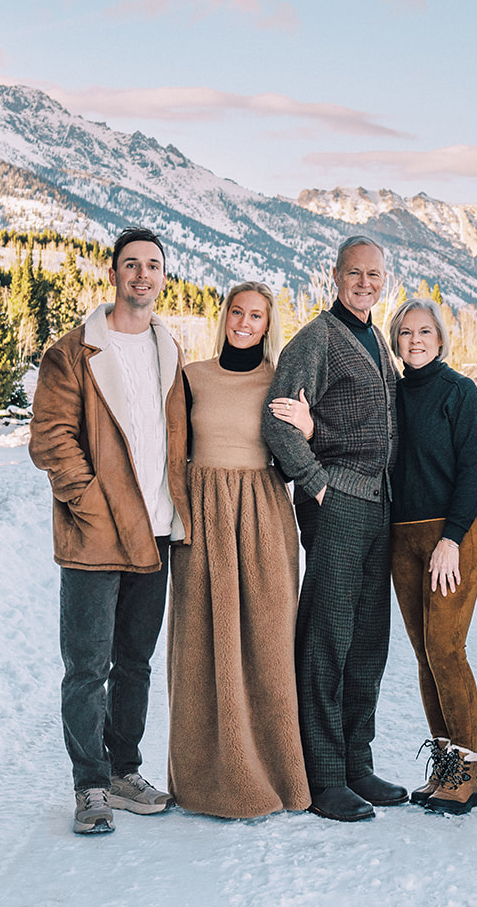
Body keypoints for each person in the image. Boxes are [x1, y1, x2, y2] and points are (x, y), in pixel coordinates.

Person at [29, 226, 185, 835]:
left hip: (157, 532)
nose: (142, 275)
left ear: (163, 278)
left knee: (136, 663)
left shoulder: (169, 351)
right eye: (131, 265)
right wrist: (91, 504)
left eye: (153, 265)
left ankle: (124, 771)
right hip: (94, 537)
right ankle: (89, 785)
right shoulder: (73, 352)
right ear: (113, 273)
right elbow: (50, 439)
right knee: (87, 667)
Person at [262, 236, 401, 823]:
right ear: (335, 275)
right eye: (355, 273)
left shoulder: (377, 337)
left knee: (369, 638)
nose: (365, 283)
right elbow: (277, 418)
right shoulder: (317, 339)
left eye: (374, 275)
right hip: (338, 500)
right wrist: (315, 481)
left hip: (380, 506)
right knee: (327, 638)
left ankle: (356, 763)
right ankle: (321, 777)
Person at [166, 282, 310, 818]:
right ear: (224, 314)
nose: (245, 323)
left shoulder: (282, 381)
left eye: (257, 316)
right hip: (202, 519)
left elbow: (302, 448)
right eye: (237, 312)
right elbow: (171, 450)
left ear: (269, 325)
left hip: (263, 518)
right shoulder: (193, 377)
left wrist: (310, 427)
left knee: (268, 649)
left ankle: (278, 777)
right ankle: (205, 779)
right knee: (201, 648)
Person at [383, 298, 477, 815]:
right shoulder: (393, 394)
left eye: (425, 331)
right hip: (403, 537)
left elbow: (474, 472)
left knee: (447, 649)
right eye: (406, 333)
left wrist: (451, 538)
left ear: (441, 337)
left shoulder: (459, 393)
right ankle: (445, 766)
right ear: (395, 340)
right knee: (425, 653)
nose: (416, 340)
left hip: (457, 535)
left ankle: (467, 773)